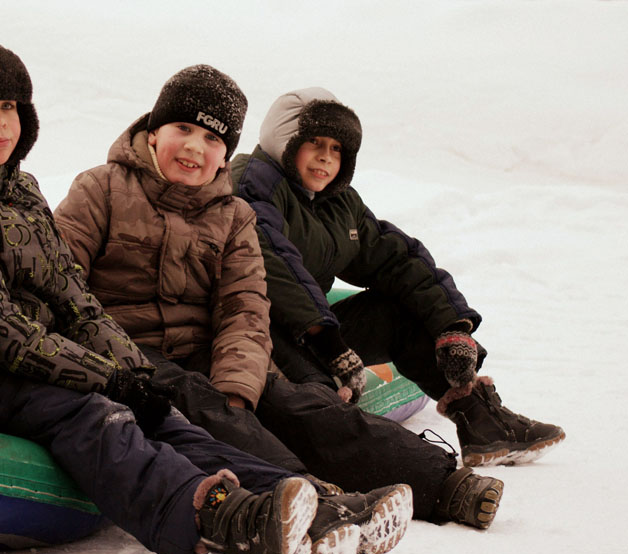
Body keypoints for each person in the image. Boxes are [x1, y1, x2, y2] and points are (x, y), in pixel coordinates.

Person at [0, 33, 413, 554]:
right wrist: (108, 373)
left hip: (87, 353)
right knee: (107, 418)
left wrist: (135, 373)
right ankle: (232, 518)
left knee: (177, 416)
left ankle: (312, 502)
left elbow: (76, 301)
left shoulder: (24, 191)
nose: (0, 123)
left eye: (9, 107)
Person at [55, 65, 502, 531]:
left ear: (225, 154)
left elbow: (245, 309)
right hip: (125, 351)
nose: (194, 147)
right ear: (152, 133)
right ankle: (313, 498)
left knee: (298, 406)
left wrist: (239, 385)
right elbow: (61, 283)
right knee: (199, 403)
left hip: (208, 351)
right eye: (182, 129)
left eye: (211, 139)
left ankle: (442, 483)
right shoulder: (100, 190)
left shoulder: (233, 215)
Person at [228, 87, 566, 469]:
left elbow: (394, 257)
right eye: (314, 143)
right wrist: (331, 346)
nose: (326, 156)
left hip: (312, 336)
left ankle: (480, 419)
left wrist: (451, 325)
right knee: (314, 403)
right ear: (284, 140)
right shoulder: (251, 184)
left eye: (337, 148)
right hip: (256, 335)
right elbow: (274, 266)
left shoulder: (337, 200)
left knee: (393, 309)